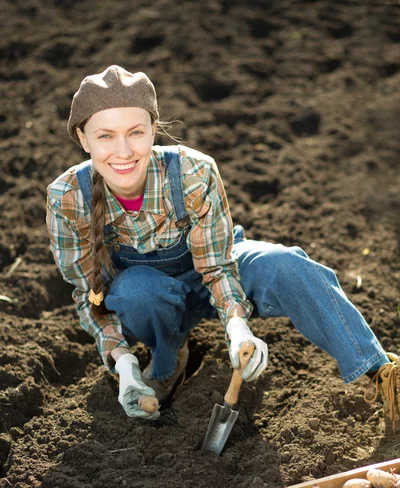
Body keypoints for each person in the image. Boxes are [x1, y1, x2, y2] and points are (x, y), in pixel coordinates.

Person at [46, 65, 399, 429]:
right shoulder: (69, 197)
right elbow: (90, 295)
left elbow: (217, 266)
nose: (123, 151)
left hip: (211, 273)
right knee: (136, 289)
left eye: (136, 132)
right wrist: (122, 363)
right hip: (151, 303)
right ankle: (167, 360)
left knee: (284, 263)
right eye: (105, 136)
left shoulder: (193, 172)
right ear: (82, 138)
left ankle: (380, 370)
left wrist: (237, 327)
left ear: (154, 129)